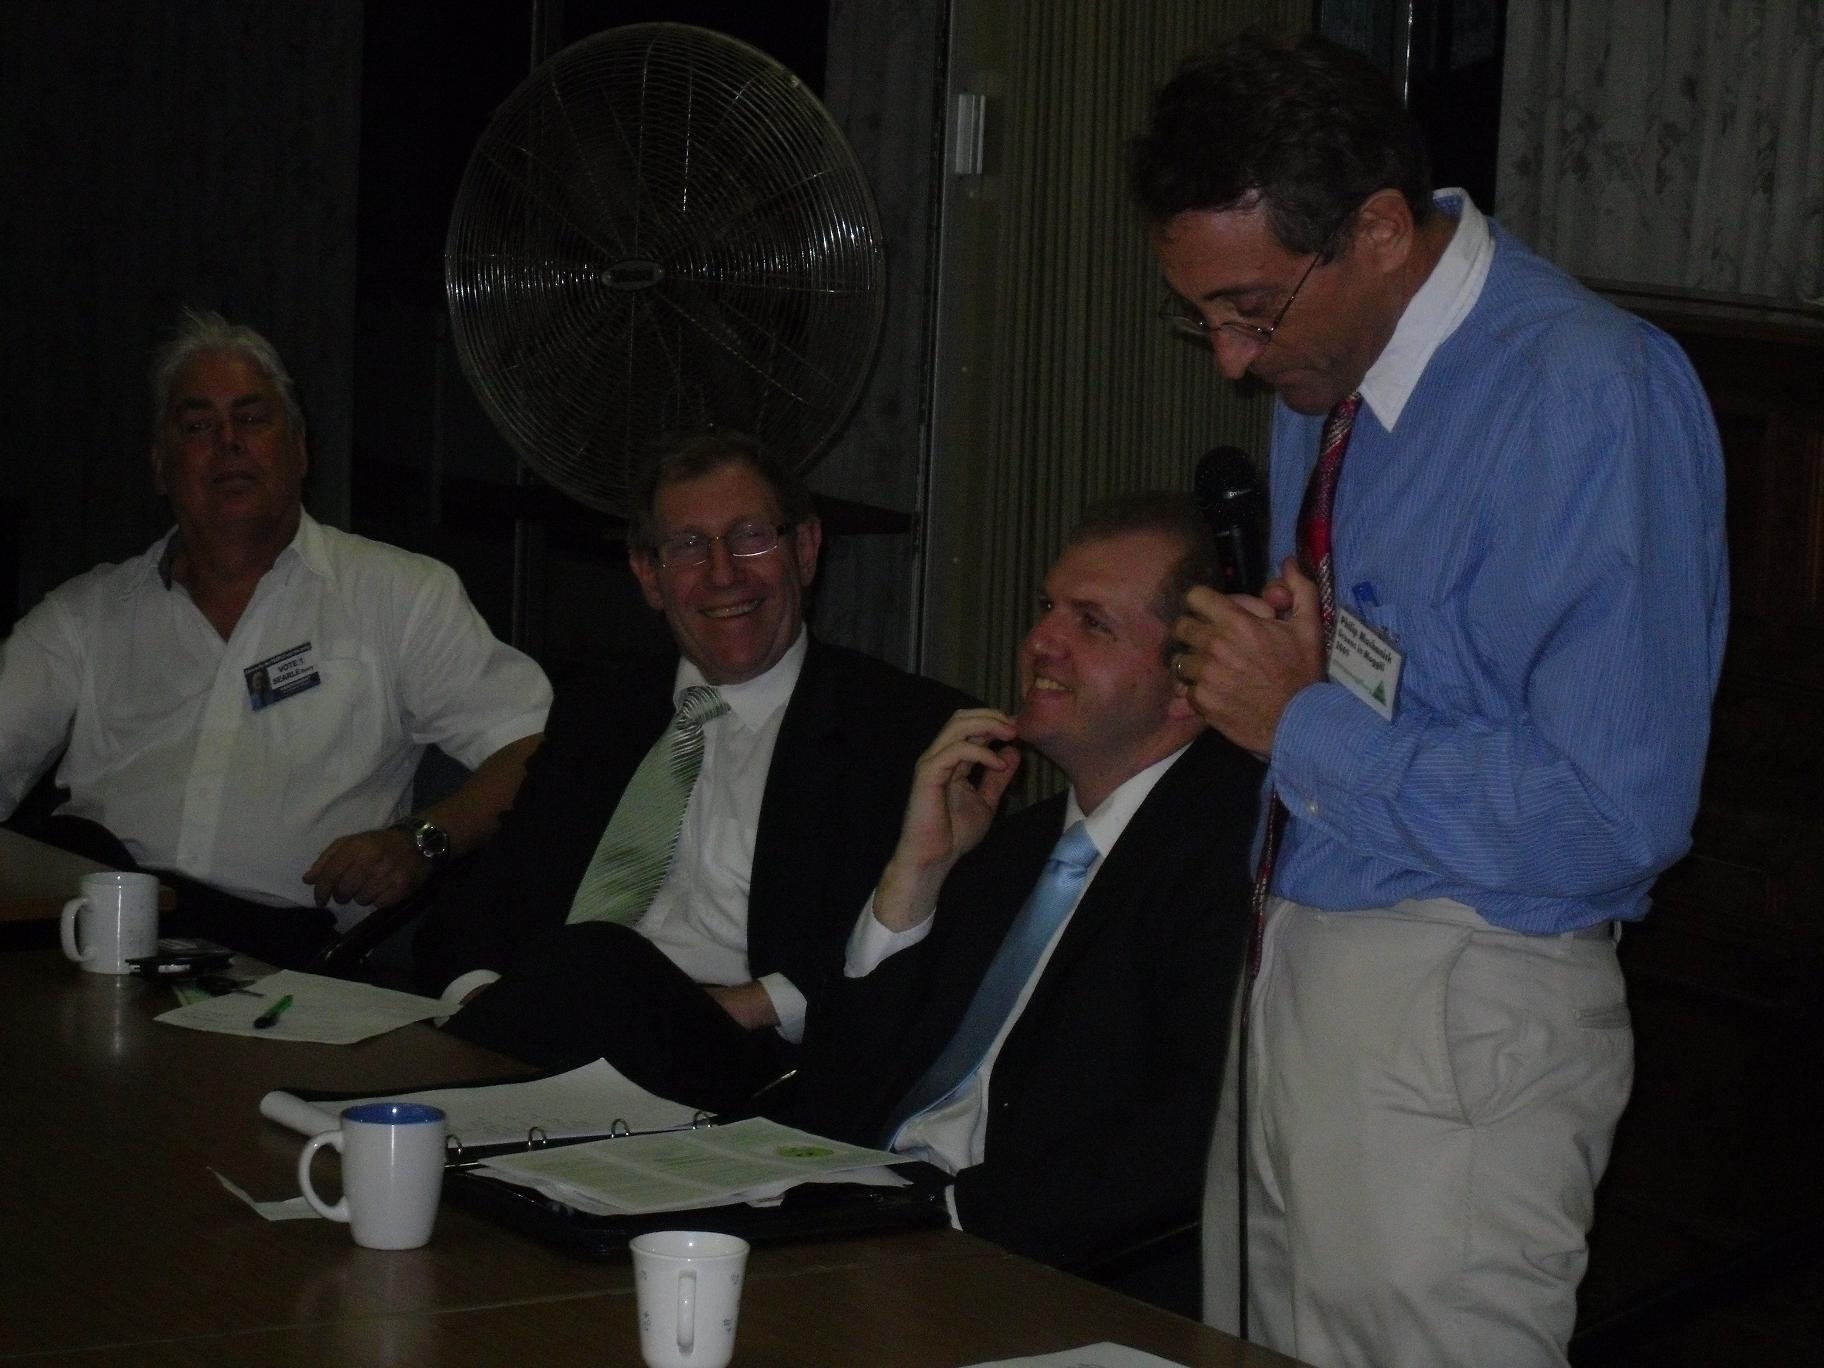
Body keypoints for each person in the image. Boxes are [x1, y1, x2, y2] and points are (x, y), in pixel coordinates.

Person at [1128, 30, 1728, 1368]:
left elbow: (1614, 816)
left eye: (1249, 309)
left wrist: (1305, 724)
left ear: (1382, 232)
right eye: (1203, 316)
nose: (1227, 359)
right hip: (1295, 953)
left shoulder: (1589, 392)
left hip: (1464, 998)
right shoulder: (1323, 373)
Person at [413, 429, 974, 1115]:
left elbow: (919, 950)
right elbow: (493, 895)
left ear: (805, 550)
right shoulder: (600, 715)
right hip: (552, 1035)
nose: (722, 574)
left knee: (594, 960)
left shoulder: (904, 730)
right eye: (687, 547)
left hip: (747, 1065)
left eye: (750, 538)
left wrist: (750, 1006)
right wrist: (480, 997)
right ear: (649, 577)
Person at [792, 494, 1262, 1270]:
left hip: (1019, 1260)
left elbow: (1189, 1136)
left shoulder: (1227, 852)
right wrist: (914, 878)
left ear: (1189, 680)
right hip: (870, 1217)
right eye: (1048, 608)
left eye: (1092, 623)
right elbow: (837, 1099)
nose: (1041, 641)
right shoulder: (1013, 846)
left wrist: (940, 1214)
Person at [0, 310, 550, 967]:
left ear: (300, 450)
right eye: (197, 425)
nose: (227, 441)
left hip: (275, 957)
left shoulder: (400, 592)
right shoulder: (85, 614)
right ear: (160, 467)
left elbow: (533, 750)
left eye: (252, 419)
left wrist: (420, 839)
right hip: (100, 936)